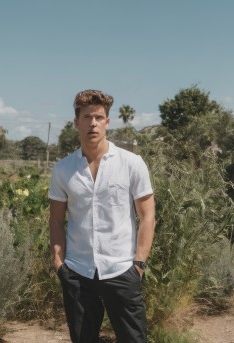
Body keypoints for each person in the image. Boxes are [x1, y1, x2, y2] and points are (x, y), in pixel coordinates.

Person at [49, 89, 156, 342]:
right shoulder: (63, 169)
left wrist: (139, 263)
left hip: (122, 269)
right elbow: (55, 219)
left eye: (98, 117)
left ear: (107, 122)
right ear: (77, 122)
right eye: (86, 117)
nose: (92, 123)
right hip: (78, 272)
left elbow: (147, 216)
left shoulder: (131, 163)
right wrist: (59, 263)